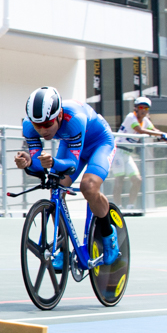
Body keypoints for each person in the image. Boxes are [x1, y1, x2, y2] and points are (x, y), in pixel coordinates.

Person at [14, 87, 120, 264]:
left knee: (89, 186)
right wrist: (29, 162)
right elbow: (38, 165)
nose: (42, 130)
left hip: (99, 143)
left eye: (48, 124)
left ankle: (108, 234)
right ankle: (62, 246)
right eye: (37, 125)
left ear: (60, 115)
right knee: (56, 186)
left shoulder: (74, 119)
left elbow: (71, 165)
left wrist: (53, 162)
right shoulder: (29, 126)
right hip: (72, 143)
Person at [112, 96, 167, 211]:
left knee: (137, 180)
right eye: (141, 107)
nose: (143, 110)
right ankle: (118, 206)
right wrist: (160, 135)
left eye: (146, 108)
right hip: (118, 151)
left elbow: (153, 130)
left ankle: (130, 206)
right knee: (120, 179)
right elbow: (140, 130)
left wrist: (162, 134)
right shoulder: (130, 117)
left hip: (128, 154)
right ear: (136, 108)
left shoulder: (146, 120)